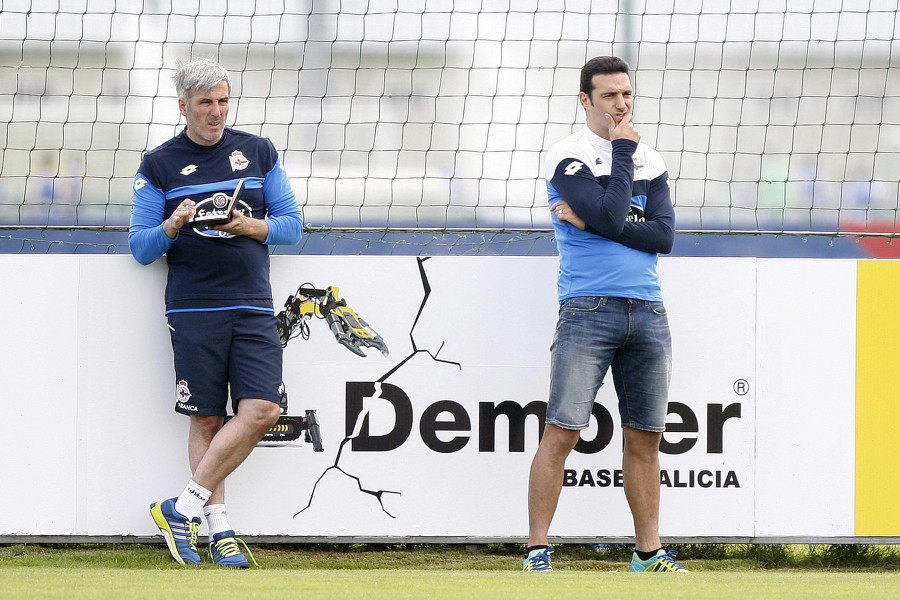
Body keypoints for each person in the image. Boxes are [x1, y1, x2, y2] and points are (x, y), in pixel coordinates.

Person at [128, 57, 303, 568]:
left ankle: (180, 508)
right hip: (193, 306)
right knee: (206, 418)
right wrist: (174, 225)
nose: (216, 112)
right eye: (206, 103)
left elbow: (293, 226)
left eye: (223, 101)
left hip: (251, 304)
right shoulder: (159, 164)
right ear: (183, 106)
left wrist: (246, 226)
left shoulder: (257, 151)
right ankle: (219, 530)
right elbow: (140, 247)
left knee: (263, 410)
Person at [523, 56, 687, 573]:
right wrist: (620, 152)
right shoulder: (567, 155)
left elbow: (663, 237)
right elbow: (620, 214)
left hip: (648, 310)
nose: (622, 104)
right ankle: (537, 550)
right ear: (586, 100)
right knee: (564, 430)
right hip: (588, 309)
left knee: (645, 436)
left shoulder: (651, 160)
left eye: (627, 95)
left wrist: (591, 222)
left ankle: (647, 553)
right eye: (611, 96)